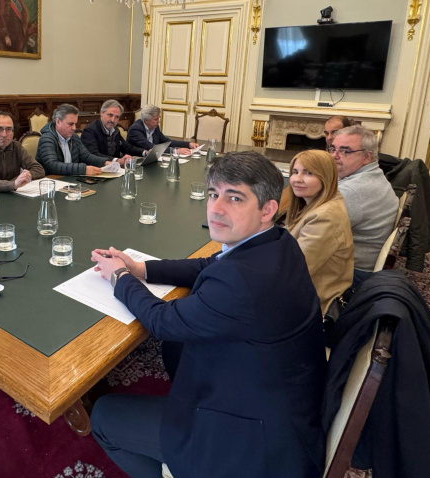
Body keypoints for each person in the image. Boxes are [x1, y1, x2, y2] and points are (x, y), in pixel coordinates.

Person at [89, 151, 326, 478]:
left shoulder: (242, 283)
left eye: (235, 198)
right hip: (283, 395)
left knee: (103, 415)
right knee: (177, 350)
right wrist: (139, 267)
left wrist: (119, 277)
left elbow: (162, 321)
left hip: (253, 440)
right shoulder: (278, 241)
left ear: (267, 209)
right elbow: (208, 264)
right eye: (214, 194)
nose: (216, 208)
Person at [280, 149, 354, 314]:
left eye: (308, 173)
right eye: (295, 172)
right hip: (309, 289)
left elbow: (292, 270)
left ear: (325, 177)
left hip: (312, 303)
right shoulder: (320, 203)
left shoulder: (325, 217)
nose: (297, 179)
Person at [330, 125, 399, 285]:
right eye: (333, 149)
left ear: (367, 157)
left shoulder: (353, 191)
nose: (334, 156)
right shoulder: (373, 175)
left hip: (351, 274)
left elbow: (316, 234)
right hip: (363, 264)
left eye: (345, 151)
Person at [36, 103, 113, 176]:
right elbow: (52, 166)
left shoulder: (74, 137)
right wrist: (83, 170)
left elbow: (86, 156)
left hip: (70, 180)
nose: (74, 128)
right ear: (58, 122)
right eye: (70, 124)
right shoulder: (47, 139)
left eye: (75, 124)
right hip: (51, 182)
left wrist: (105, 162)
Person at [127, 105, 198, 156]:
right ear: (146, 120)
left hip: (153, 158)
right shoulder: (135, 130)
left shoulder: (155, 127)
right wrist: (175, 151)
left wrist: (188, 144)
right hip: (136, 160)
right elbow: (150, 146)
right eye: (155, 119)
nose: (158, 122)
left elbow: (166, 142)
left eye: (159, 118)